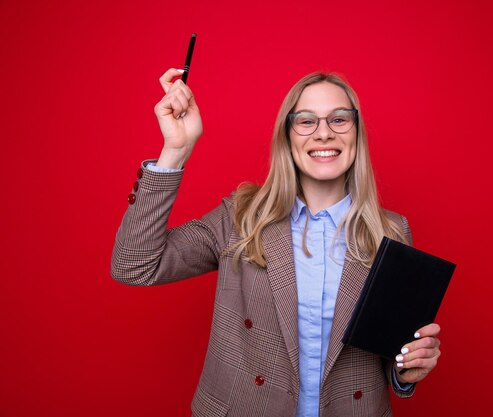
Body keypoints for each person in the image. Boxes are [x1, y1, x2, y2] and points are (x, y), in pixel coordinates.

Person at [111, 68, 442, 417]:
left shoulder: (390, 230)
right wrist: (175, 151)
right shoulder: (239, 217)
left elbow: (391, 352)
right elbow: (135, 264)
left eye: (339, 119)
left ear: (357, 133)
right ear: (287, 136)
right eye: (306, 121)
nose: (324, 133)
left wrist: (406, 369)